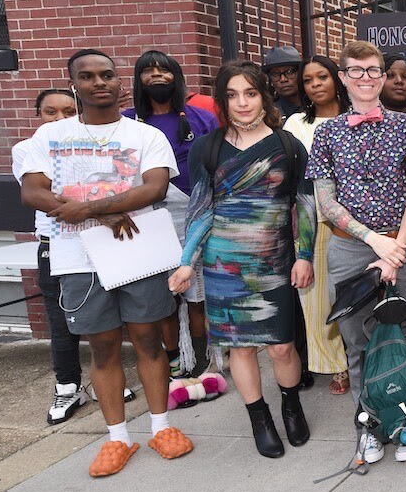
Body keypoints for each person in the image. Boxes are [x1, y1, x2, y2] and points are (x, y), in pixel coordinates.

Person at [20, 49, 192, 477]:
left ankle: (161, 427)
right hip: (77, 258)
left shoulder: (144, 135)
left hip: (137, 252)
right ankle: (117, 438)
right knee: (102, 347)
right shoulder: (49, 136)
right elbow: (33, 192)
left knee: (149, 340)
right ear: (74, 84)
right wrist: (103, 212)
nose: (99, 82)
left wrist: (96, 207)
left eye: (107, 75)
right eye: (88, 76)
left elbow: (154, 188)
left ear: (119, 82)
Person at [170, 62, 315, 458]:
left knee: (282, 346)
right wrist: (187, 262)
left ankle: (290, 402)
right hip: (223, 266)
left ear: (263, 96)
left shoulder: (288, 146)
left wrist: (304, 256)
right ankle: (259, 417)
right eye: (232, 95)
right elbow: (200, 210)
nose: (242, 103)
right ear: (222, 100)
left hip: (274, 264)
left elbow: (304, 207)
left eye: (249, 93)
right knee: (240, 349)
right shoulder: (207, 146)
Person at [307, 40, 406, 465]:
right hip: (350, 249)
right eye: (356, 70)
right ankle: (370, 424)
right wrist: (373, 240)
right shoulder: (326, 132)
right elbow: (325, 202)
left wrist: (396, 246)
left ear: (383, 75)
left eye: (373, 70)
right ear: (342, 78)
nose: (365, 78)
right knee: (358, 342)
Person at [124, 50, 218, 379]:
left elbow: (219, 165)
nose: (156, 76)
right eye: (147, 71)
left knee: (196, 292)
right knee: (164, 294)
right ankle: (175, 357)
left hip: (196, 212)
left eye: (164, 70)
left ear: (176, 77)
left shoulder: (201, 117)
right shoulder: (126, 121)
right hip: (148, 216)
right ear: (138, 80)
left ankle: (203, 357)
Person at [13, 89, 93, 424]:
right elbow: (48, 194)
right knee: (61, 320)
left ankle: (106, 380)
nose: (60, 118)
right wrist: (96, 206)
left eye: (67, 111)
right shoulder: (28, 149)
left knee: (104, 317)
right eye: (50, 112)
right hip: (55, 243)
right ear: (38, 116)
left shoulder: (92, 143)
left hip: (95, 239)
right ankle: (68, 385)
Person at [283, 56, 351, 395]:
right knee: (318, 300)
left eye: (322, 76)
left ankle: (363, 356)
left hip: (357, 219)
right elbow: (294, 176)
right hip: (313, 222)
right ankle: (335, 363)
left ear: (336, 79)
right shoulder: (295, 124)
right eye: (308, 80)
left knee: (357, 293)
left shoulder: (356, 116)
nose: (315, 84)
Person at [263, 45, 304, 118]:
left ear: (300, 73)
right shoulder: (268, 113)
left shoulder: (316, 106)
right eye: (276, 74)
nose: (283, 79)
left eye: (289, 72)